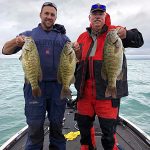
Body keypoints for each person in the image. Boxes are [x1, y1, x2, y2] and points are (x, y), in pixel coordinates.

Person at [73, 3, 144, 150]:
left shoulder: (115, 33)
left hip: (107, 94)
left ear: (105, 16)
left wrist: (128, 34)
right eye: (95, 14)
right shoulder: (82, 37)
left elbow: (139, 40)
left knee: (108, 134)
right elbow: (76, 62)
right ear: (89, 17)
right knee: (84, 131)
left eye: (101, 14)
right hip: (84, 93)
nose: (97, 16)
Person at [2, 2, 70, 150]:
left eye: (52, 15)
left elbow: (74, 59)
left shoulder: (64, 38)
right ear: (40, 15)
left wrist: (76, 48)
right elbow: (5, 51)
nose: (49, 17)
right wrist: (16, 41)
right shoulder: (28, 35)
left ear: (56, 17)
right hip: (34, 85)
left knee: (57, 124)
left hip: (57, 87)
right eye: (46, 13)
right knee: (35, 125)